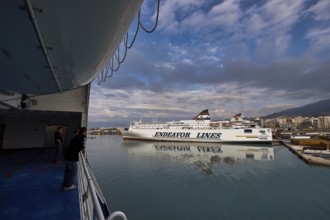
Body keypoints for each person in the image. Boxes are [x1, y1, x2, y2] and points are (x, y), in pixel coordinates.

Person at [62, 127, 87, 191]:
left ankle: (65, 184)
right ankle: (68, 186)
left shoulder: (77, 136)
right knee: (73, 172)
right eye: (86, 132)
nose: (87, 133)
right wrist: (83, 147)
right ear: (84, 132)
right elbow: (80, 147)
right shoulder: (80, 138)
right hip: (71, 157)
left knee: (68, 171)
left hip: (68, 156)